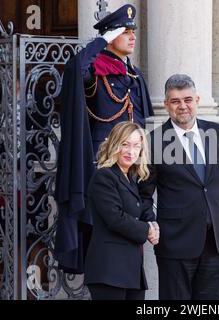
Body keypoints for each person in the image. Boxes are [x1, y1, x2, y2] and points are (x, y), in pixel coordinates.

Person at [54, 4, 154, 274]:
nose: (132, 36)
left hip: (132, 164)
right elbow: (76, 67)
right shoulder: (94, 69)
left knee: (130, 224)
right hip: (102, 164)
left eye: (132, 31)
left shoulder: (133, 74)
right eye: (124, 32)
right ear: (111, 37)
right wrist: (101, 41)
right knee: (106, 229)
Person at [139, 74, 219, 300]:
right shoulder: (153, 141)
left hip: (215, 243)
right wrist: (151, 224)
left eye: (187, 99)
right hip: (174, 243)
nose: (182, 106)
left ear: (197, 100)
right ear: (166, 105)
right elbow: (143, 194)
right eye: (175, 101)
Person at [84, 121, 159, 300]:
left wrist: (152, 223)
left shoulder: (130, 178)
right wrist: (147, 230)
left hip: (130, 270)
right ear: (114, 145)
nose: (130, 151)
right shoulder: (104, 176)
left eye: (136, 146)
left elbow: (139, 209)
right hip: (109, 270)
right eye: (124, 144)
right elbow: (115, 219)